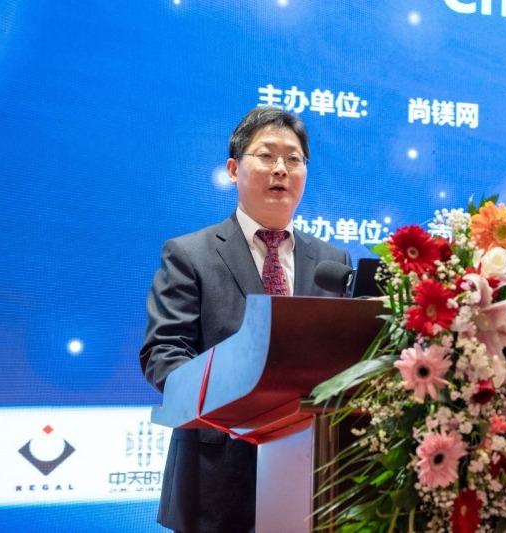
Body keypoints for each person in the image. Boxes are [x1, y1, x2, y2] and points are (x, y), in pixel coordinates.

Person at [140, 106, 351, 532]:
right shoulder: (190, 255)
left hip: (316, 472)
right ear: (234, 169)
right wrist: (240, 400)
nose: (281, 169)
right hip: (215, 475)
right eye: (267, 155)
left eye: (293, 159)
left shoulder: (333, 261)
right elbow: (163, 354)